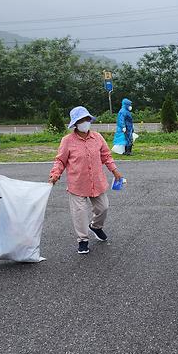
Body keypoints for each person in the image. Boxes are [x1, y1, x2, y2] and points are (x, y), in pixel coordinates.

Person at [49, 106, 124, 254]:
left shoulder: (97, 137)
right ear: (75, 123)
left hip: (97, 181)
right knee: (79, 213)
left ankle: (96, 227)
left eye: (87, 119)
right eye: (81, 120)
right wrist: (55, 174)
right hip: (77, 184)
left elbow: (106, 156)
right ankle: (83, 240)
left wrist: (115, 171)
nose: (85, 122)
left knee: (103, 207)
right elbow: (60, 161)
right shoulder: (67, 141)